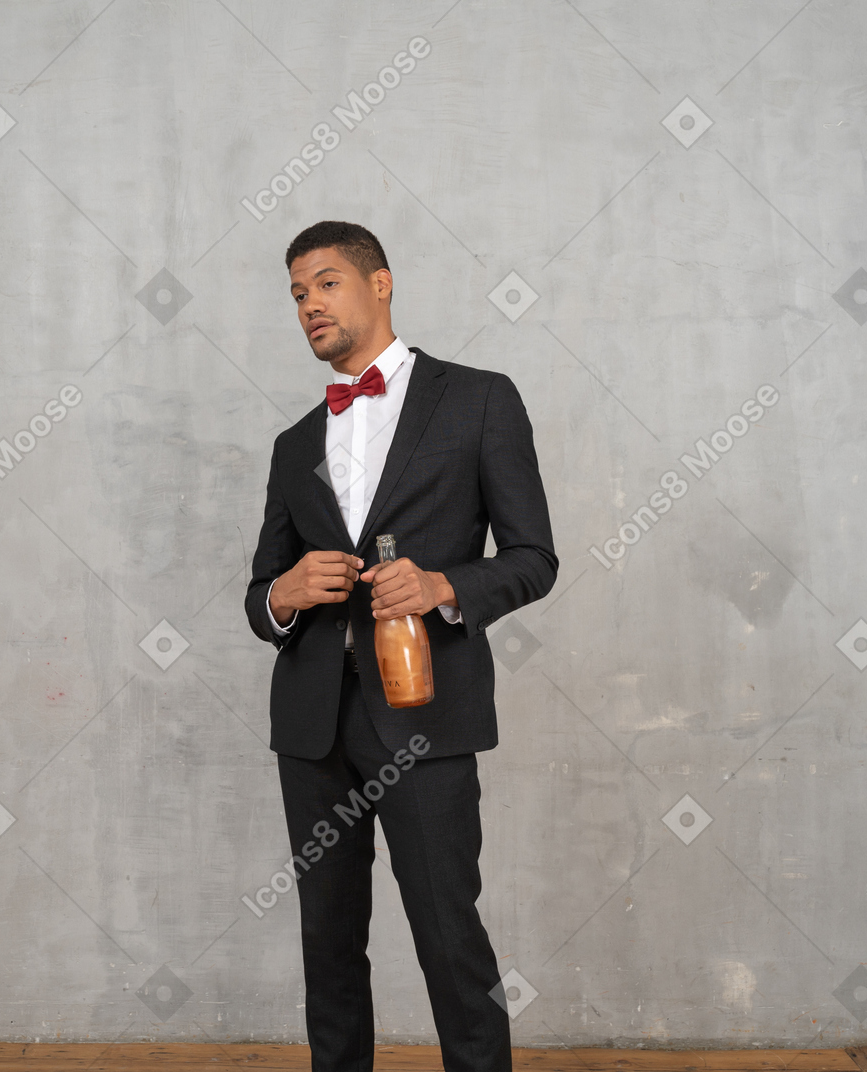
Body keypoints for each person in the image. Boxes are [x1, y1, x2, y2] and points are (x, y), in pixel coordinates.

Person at [244, 220, 558, 1072]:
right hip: (312, 727)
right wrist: (283, 594)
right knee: (329, 947)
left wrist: (446, 586)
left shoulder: (480, 398)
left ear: (381, 284)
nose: (310, 304)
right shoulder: (293, 445)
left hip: (427, 713)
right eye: (298, 293)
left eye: (327, 283)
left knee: (451, 938)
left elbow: (534, 559)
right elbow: (258, 596)